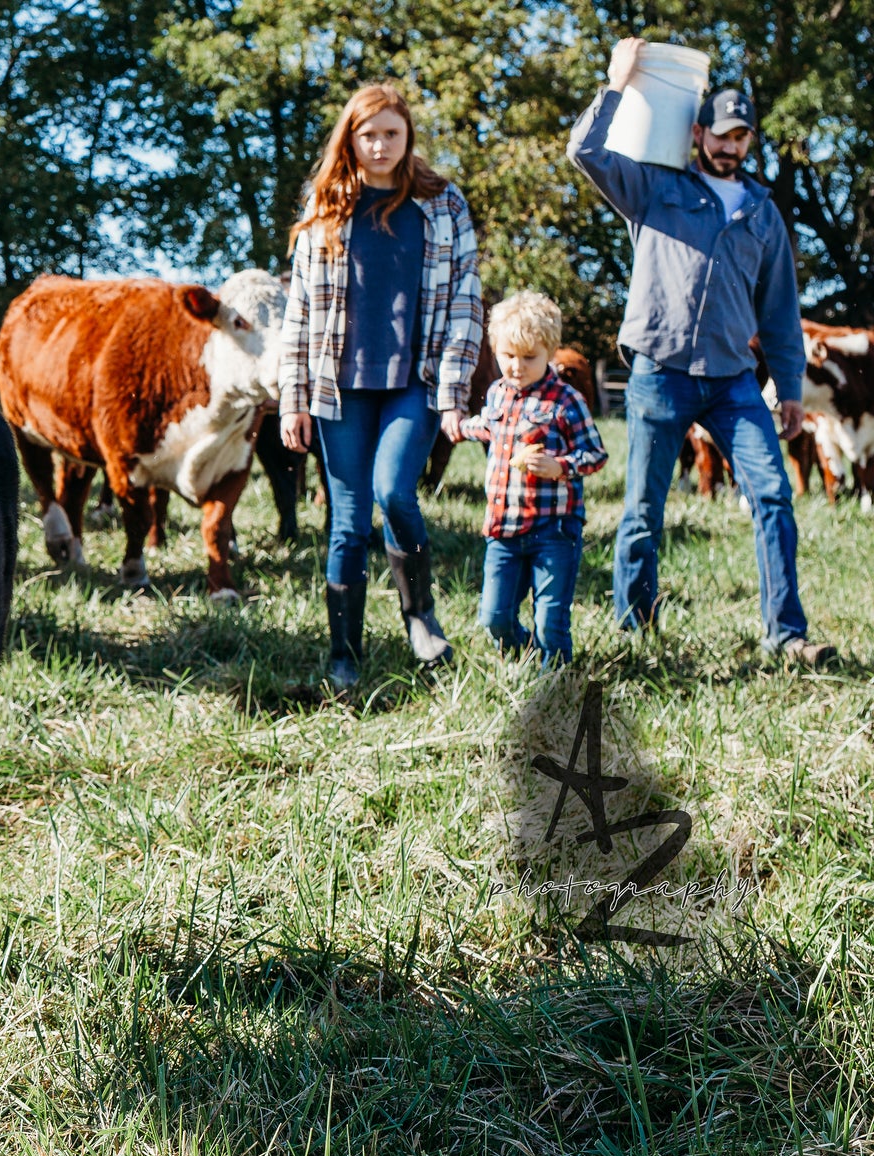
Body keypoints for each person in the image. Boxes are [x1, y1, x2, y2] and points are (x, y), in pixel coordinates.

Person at [567, 39, 834, 665]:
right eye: (720, 134)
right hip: (659, 374)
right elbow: (586, 151)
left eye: (740, 136)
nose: (729, 146)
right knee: (643, 509)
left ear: (748, 141)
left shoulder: (764, 216)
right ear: (697, 133)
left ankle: (786, 635)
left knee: (772, 495)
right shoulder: (654, 189)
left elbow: (778, 313)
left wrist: (790, 388)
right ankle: (634, 635)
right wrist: (616, 83)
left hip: (735, 383)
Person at [279, 83, 485, 690]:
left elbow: (466, 301)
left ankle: (420, 616)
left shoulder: (442, 204)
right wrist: (293, 400)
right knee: (347, 522)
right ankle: (344, 654)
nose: (380, 145)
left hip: (413, 382)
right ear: (351, 139)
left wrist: (452, 391)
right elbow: (299, 314)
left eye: (391, 133)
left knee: (396, 492)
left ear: (407, 136)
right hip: (337, 388)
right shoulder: (326, 208)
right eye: (368, 134)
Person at [451, 292, 607, 666]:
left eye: (529, 357)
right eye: (508, 356)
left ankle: (554, 681)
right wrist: (459, 427)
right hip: (503, 529)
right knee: (493, 617)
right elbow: (488, 426)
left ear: (550, 352)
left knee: (551, 618)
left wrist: (562, 466)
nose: (517, 366)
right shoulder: (497, 394)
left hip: (553, 529)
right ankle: (521, 649)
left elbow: (595, 453)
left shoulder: (565, 401)